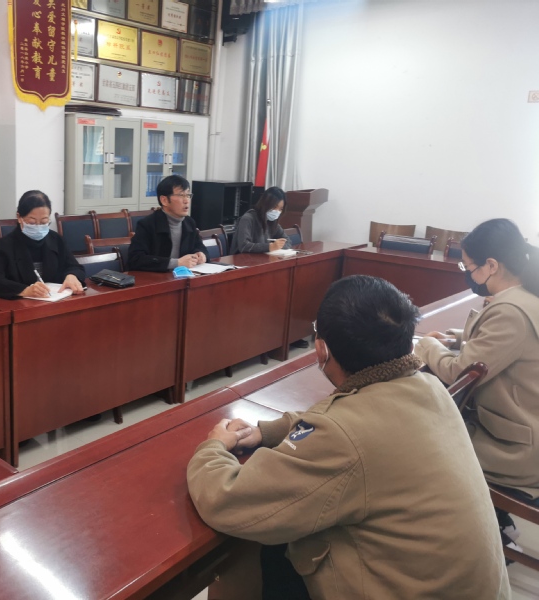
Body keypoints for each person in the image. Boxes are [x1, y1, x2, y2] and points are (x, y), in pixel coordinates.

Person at [187, 275, 508, 600]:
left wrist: (214, 447)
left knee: (271, 547)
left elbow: (227, 500)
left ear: (321, 350)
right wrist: (266, 432)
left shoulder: (341, 436)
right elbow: (348, 417)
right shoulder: (429, 387)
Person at [415, 218, 539, 508]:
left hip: (513, 450)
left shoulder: (510, 311)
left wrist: (428, 346)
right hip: (524, 429)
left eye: (468, 266)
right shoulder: (527, 297)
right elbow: (509, 345)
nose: (467, 273)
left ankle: (458, 520)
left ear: (492, 265)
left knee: (414, 442)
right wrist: (455, 339)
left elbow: (458, 372)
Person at [0, 190, 85, 299]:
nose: (38, 227)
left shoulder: (56, 240)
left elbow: (75, 267)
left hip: (55, 302)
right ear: (19, 217)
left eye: (44, 222)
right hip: (22, 305)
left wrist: (72, 275)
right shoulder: (7, 244)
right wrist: (24, 290)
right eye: (32, 222)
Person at [127, 174, 208, 272]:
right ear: (164, 200)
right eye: (181, 195)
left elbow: (199, 246)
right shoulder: (147, 224)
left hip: (184, 276)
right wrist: (176, 263)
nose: (186, 200)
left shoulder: (189, 222)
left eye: (188, 195)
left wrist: (201, 254)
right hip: (157, 278)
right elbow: (136, 259)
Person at [230, 186, 292, 254]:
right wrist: (269, 247)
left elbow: (287, 241)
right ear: (265, 204)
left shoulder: (272, 221)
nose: (277, 211)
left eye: (280, 209)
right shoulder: (248, 219)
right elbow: (244, 246)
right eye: (274, 207)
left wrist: (279, 245)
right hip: (242, 259)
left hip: (262, 258)